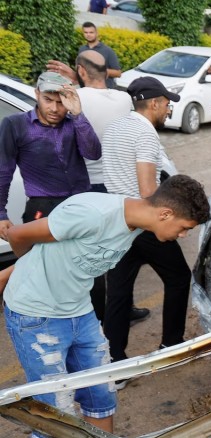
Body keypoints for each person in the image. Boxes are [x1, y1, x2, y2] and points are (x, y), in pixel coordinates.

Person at [0, 176, 210, 438]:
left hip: (80, 313)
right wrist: (25, 274)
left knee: (101, 396)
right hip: (37, 317)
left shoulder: (135, 226)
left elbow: (65, 256)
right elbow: (19, 235)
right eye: (183, 228)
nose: (182, 235)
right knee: (55, 414)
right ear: (164, 213)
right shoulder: (91, 212)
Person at [102, 77, 193, 373]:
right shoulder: (145, 134)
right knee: (179, 277)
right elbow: (146, 191)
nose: (168, 110)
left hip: (117, 220)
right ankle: (171, 345)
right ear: (154, 103)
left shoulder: (115, 127)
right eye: (166, 104)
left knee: (118, 292)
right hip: (144, 224)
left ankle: (114, 363)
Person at [46, 50, 141, 323]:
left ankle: (96, 316)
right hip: (119, 185)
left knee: (91, 256)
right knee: (119, 251)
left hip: (86, 186)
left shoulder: (76, 99)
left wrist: (72, 82)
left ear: (81, 71)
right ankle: (124, 309)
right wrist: (78, 77)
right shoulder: (124, 99)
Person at [0, 72, 99, 238]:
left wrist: (77, 114)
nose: (54, 108)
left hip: (81, 203)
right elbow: (3, 171)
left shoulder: (74, 123)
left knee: (80, 260)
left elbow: (94, 153)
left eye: (60, 103)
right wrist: (1, 214)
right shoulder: (15, 124)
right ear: (37, 93)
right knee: (41, 261)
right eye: (48, 100)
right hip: (43, 207)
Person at [79, 22, 122, 89]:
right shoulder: (82, 49)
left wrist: (99, 70)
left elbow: (118, 73)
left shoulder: (108, 50)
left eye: (91, 32)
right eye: (86, 32)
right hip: (86, 89)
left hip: (105, 91)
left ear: (97, 33)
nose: (88, 35)